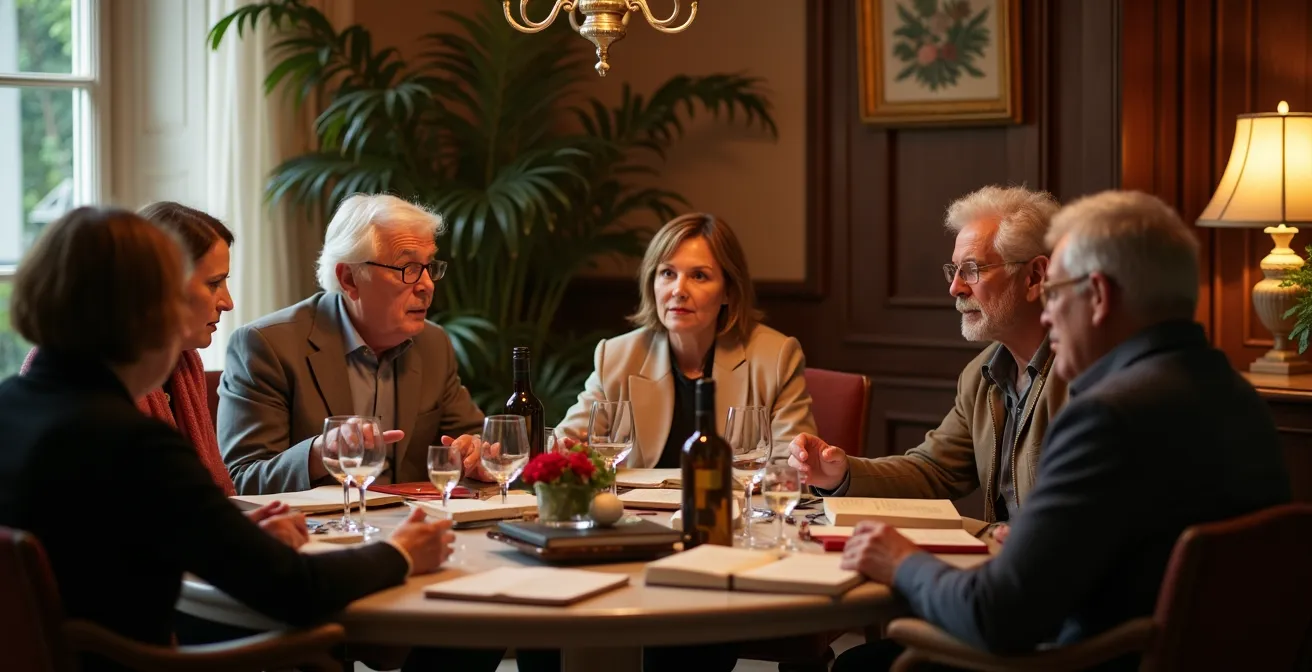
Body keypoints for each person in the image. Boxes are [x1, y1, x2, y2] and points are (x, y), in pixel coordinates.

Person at [832, 191, 1292, 671]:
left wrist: (902, 562)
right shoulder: (1238, 397)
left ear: (1097, 296)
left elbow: (998, 616)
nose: (1048, 314)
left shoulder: (1107, 417)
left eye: (1056, 293)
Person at [0, 207, 456, 672]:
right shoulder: (133, 445)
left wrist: (232, 537)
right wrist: (400, 553)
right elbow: (297, 591)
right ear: (149, 308)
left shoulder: (12, 407)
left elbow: (119, 548)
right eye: (201, 288)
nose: (226, 303)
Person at [790, 186, 1063, 528]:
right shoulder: (980, 375)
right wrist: (842, 473)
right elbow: (933, 470)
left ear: (1035, 277)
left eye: (973, 269)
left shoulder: (1082, 375)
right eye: (954, 271)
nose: (956, 288)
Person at [219, 194, 490, 495]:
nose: (427, 285)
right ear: (349, 278)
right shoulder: (268, 346)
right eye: (408, 268)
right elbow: (240, 479)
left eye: (428, 267)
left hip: (411, 528)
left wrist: (475, 453)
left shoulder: (432, 343)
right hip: (320, 534)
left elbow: (474, 439)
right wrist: (321, 453)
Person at [557, 212, 817, 465]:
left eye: (699, 276)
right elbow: (567, 440)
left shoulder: (776, 357)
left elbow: (794, 465)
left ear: (728, 291)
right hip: (636, 510)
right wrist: (566, 451)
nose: (678, 290)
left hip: (733, 508)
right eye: (668, 273)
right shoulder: (616, 356)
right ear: (652, 283)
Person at [20, 201, 238, 495]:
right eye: (214, 283)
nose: (228, 302)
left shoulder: (186, 365)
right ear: (158, 287)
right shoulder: (121, 432)